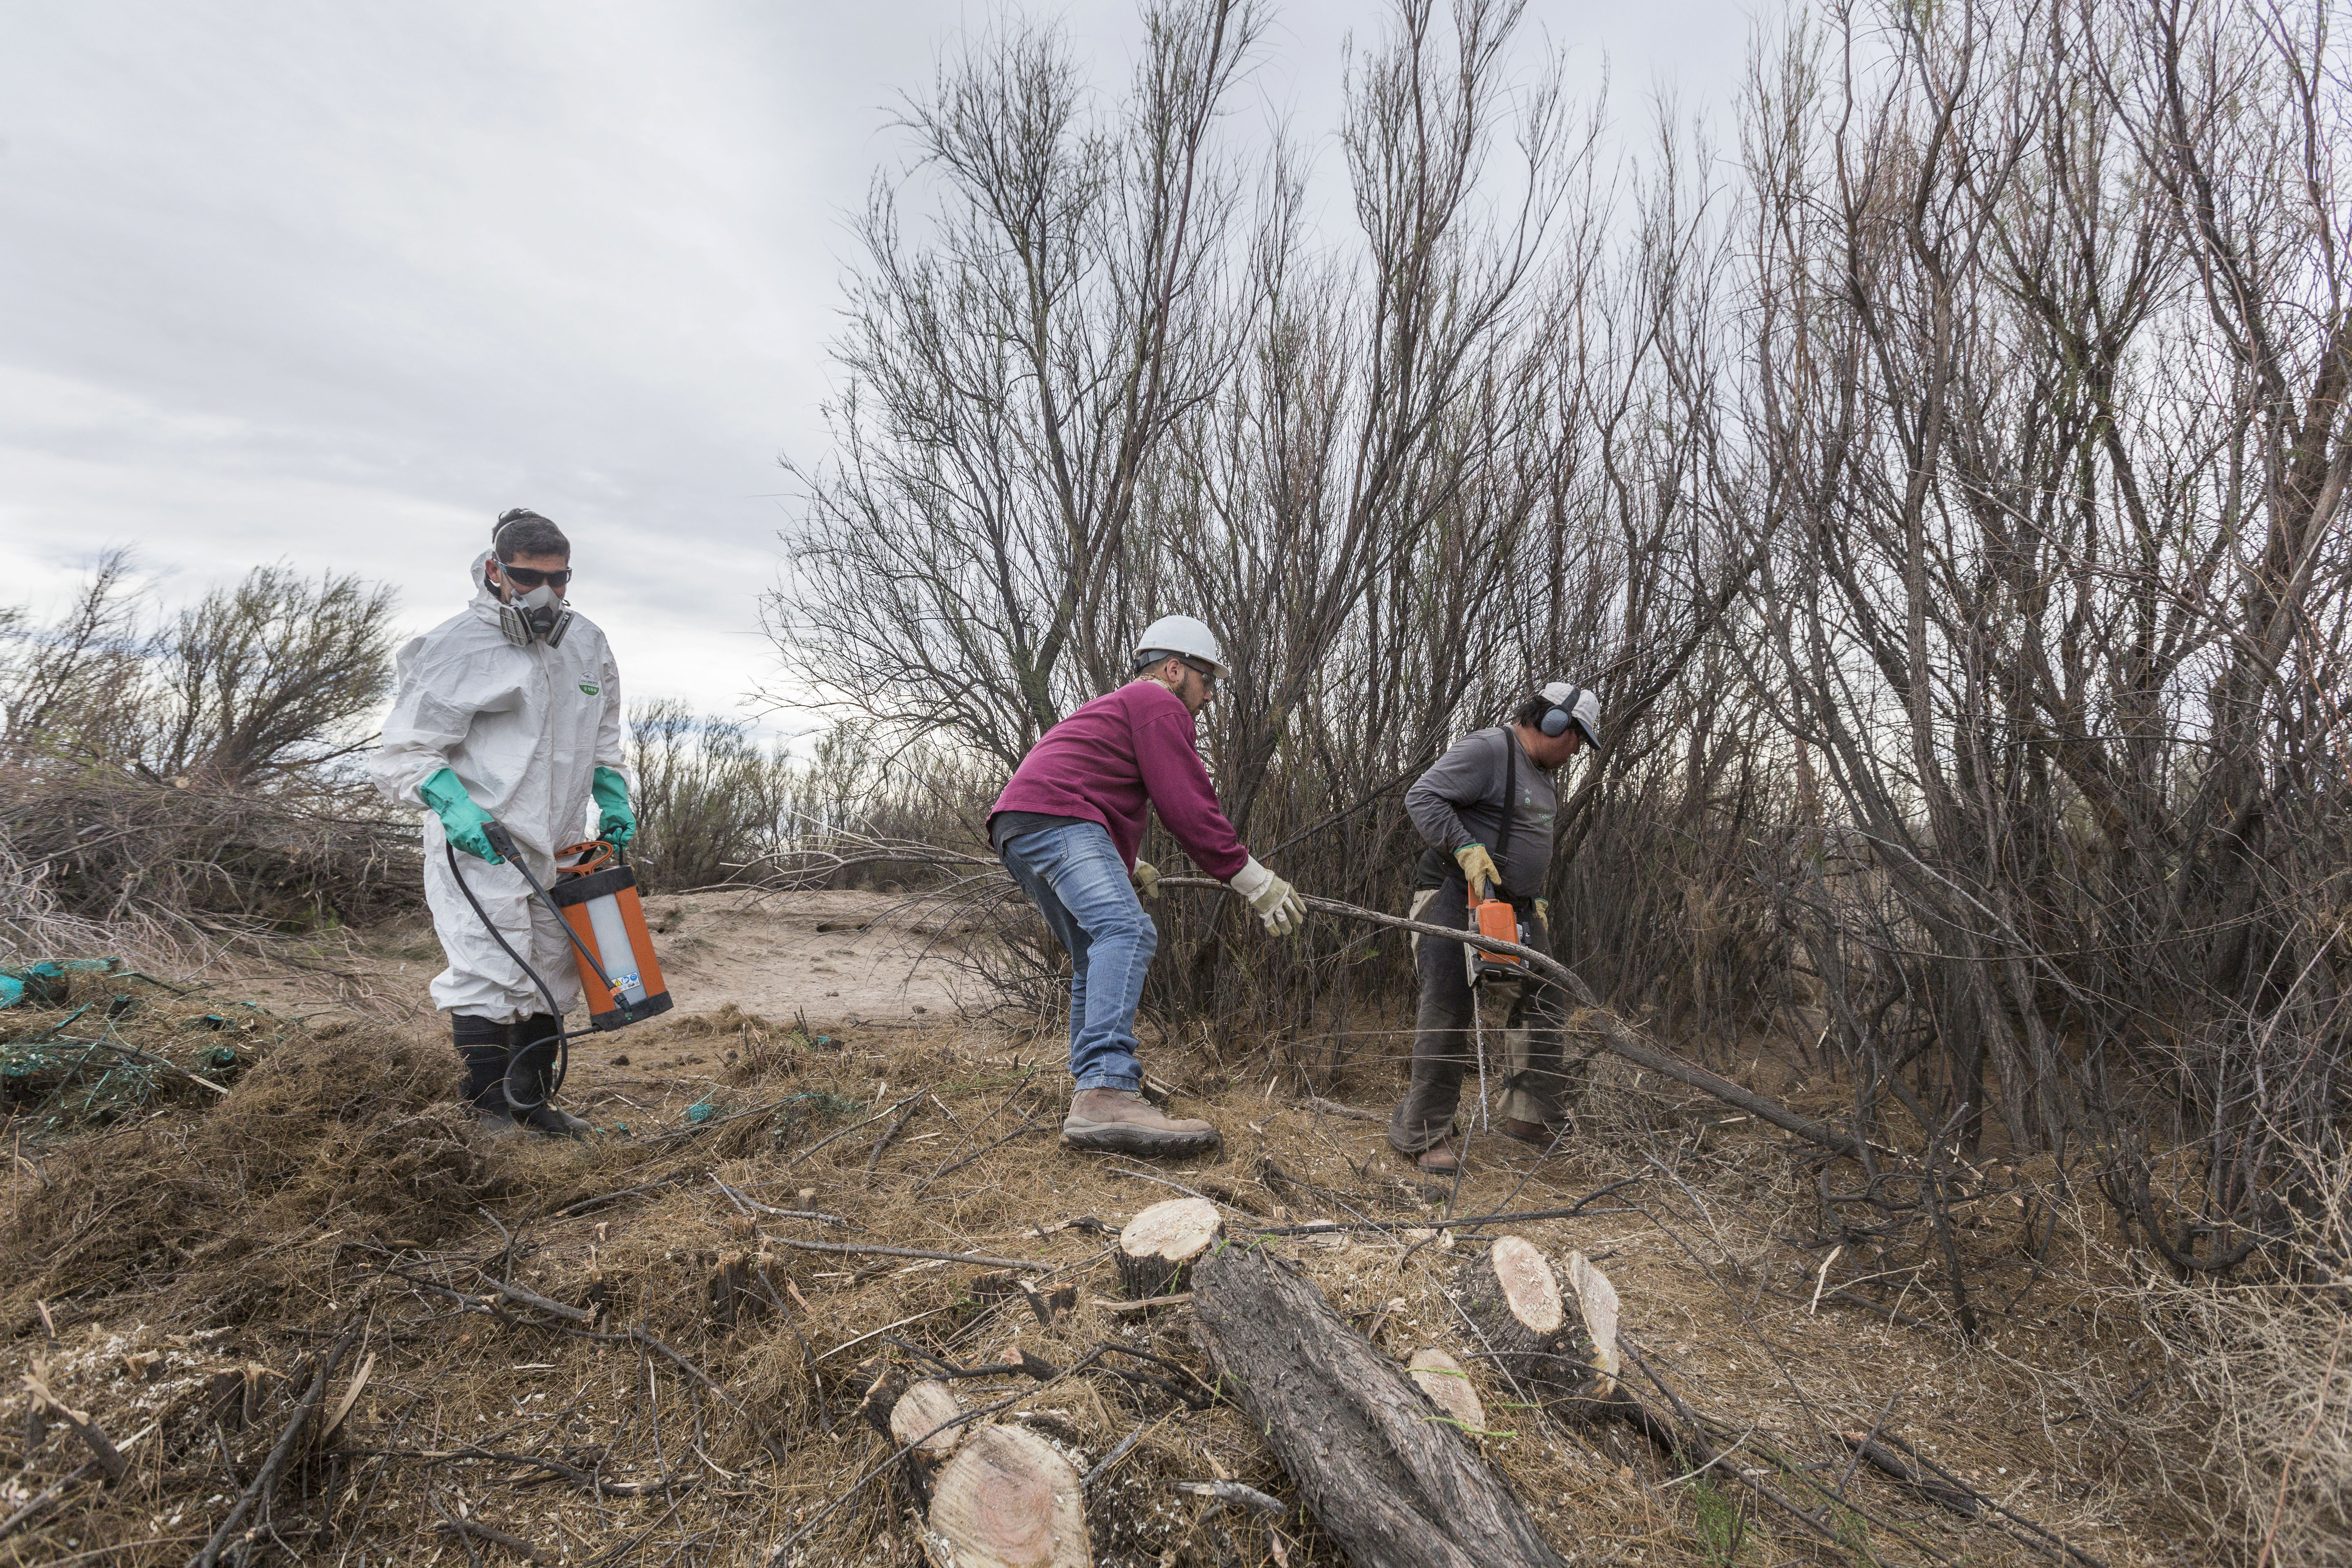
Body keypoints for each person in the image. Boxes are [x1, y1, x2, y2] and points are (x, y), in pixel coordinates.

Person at [989, 615, 1306, 1158]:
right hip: (1059, 818)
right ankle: (1108, 1089)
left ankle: (1094, 1094)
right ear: (1175, 668)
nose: (1209, 698)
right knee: (1127, 931)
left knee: (1096, 949)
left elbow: (1090, 776)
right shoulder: (1156, 702)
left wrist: (1126, 860)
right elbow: (1186, 806)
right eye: (1208, 682)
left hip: (1020, 825)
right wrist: (1254, 880)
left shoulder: (1120, 709)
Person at [369, 509, 636, 1138]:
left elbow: (603, 736)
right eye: (526, 577)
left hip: (565, 837)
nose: (543, 593)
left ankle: (532, 1106)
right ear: (495, 570)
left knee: (554, 969)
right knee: (491, 970)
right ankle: (484, 1115)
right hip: (484, 839)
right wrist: (456, 809)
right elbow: (405, 749)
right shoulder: (459, 645)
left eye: (559, 579)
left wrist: (614, 796)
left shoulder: (587, 643)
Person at [1388, 681, 1601, 1174]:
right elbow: (1423, 797)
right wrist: (1463, 848)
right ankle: (1424, 1133)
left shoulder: (1544, 771)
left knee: (1544, 1002)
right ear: (1554, 724)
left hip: (1517, 907)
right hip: (1453, 895)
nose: (1576, 751)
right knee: (1448, 1005)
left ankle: (1531, 1115)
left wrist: (1537, 894)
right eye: (1577, 738)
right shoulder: (1488, 750)